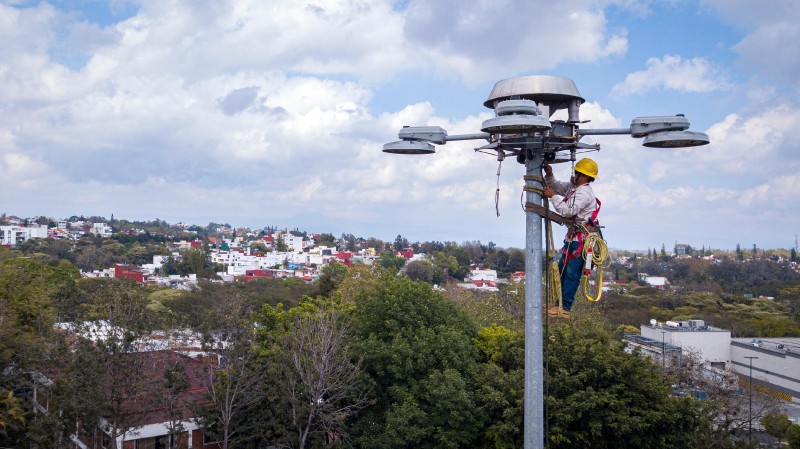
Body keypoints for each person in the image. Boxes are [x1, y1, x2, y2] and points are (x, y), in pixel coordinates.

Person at [541, 158, 601, 319]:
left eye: (577, 173)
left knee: (572, 273)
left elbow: (568, 211)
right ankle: (557, 303)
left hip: (582, 240)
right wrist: (549, 175)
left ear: (585, 176)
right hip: (573, 238)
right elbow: (557, 187)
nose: (574, 175)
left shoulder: (585, 193)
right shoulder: (574, 188)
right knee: (561, 270)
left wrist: (553, 197)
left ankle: (565, 307)